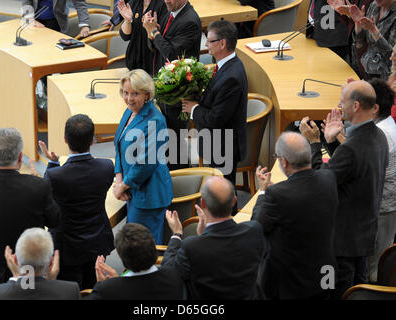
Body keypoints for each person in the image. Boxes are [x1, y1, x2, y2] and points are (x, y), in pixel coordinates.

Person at [299, 80, 388, 299]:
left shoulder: (352, 147)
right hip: (364, 238)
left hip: (340, 247)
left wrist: (313, 143)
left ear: (356, 106)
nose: (339, 106)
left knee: (331, 292)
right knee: (357, 293)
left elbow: (318, 183)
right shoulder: (379, 137)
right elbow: (350, 170)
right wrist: (330, 142)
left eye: (342, 101)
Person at [0, 128, 60, 294]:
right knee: (26, 297)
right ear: (21, 157)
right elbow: (54, 220)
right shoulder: (38, 186)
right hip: (28, 269)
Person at [252, 132, 338, 299]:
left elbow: (257, 227)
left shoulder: (275, 195)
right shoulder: (329, 178)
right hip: (326, 274)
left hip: (292, 284)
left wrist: (263, 191)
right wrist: (275, 189)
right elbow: (304, 195)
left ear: (283, 162)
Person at [38, 114, 115, 290]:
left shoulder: (55, 175)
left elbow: (46, 193)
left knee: (69, 291)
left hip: (67, 247)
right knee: (94, 288)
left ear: (65, 139)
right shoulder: (107, 167)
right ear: (93, 140)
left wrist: (52, 163)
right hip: (97, 240)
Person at [181, 20, 248, 214]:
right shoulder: (225, 66)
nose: (206, 45)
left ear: (222, 44)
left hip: (224, 146)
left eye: (210, 41)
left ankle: (230, 226)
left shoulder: (231, 76)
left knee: (225, 193)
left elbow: (216, 118)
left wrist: (193, 109)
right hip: (219, 143)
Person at [162, 176, 266, 300]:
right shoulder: (253, 231)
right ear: (234, 201)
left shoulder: (191, 247)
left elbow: (168, 275)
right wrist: (204, 236)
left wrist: (177, 234)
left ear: (202, 203)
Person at [113, 69, 173, 244]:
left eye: (135, 94)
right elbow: (119, 146)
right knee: (132, 243)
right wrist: (119, 181)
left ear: (147, 95)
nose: (129, 98)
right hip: (132, 188)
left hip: (149, 194)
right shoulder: (130, 111)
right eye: (126, 93)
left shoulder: (156, 120)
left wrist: (123, 186)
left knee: (143, 248)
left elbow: (145, 163)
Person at [142, 0, 202, 170]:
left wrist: (154, 31)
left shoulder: (189, 20)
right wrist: (150, 33)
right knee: (169, 139)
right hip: (166, 87)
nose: (166, 1)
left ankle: (181, 181)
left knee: (175, 140)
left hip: (178, 91)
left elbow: (172, 54)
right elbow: (156, 47)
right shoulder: (170, 13)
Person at [87, 223, 185, 300]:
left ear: (123, 259)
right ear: (154, 250)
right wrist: (177, 234)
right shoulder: (174, 275)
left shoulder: (106, 291)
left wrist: (103, 285)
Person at [0, 228, 80, 300]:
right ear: (51, 263)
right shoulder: (70, 291)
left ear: (15, 260)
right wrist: (51, 281)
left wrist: (16, 277)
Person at [365, 79, 396, 282]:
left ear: (374, 108)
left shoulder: (381, 134)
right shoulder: (386, 124)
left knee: (374, 270)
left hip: (383, 208)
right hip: (385, 206)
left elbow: (364, 172)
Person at [105, 0, 168, 73]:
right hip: (133, 62)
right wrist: (127, 21)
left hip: (153, 65)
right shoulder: (134, 2)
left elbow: (161, 41)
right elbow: (125, 36)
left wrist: (151, 29)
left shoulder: (164, 5)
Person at [350, 0, 396, 80]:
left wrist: (373, 30)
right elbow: (360, 43)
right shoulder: (374, 5)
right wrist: (358, 23)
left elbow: (392, 54)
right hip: (367, 69)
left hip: (387, 76)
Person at [327, 0, 374, 78]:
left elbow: (375, 30)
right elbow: (350, 22)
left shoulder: (377, 3)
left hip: (370, 57)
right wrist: (343, 12)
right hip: (354, 50)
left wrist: (357, 18)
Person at [22, 0, 90, 37]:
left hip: (55, 20)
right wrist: (29, 18)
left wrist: (85, 25)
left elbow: (80, 4)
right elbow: (26, 2)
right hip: (34, 17)